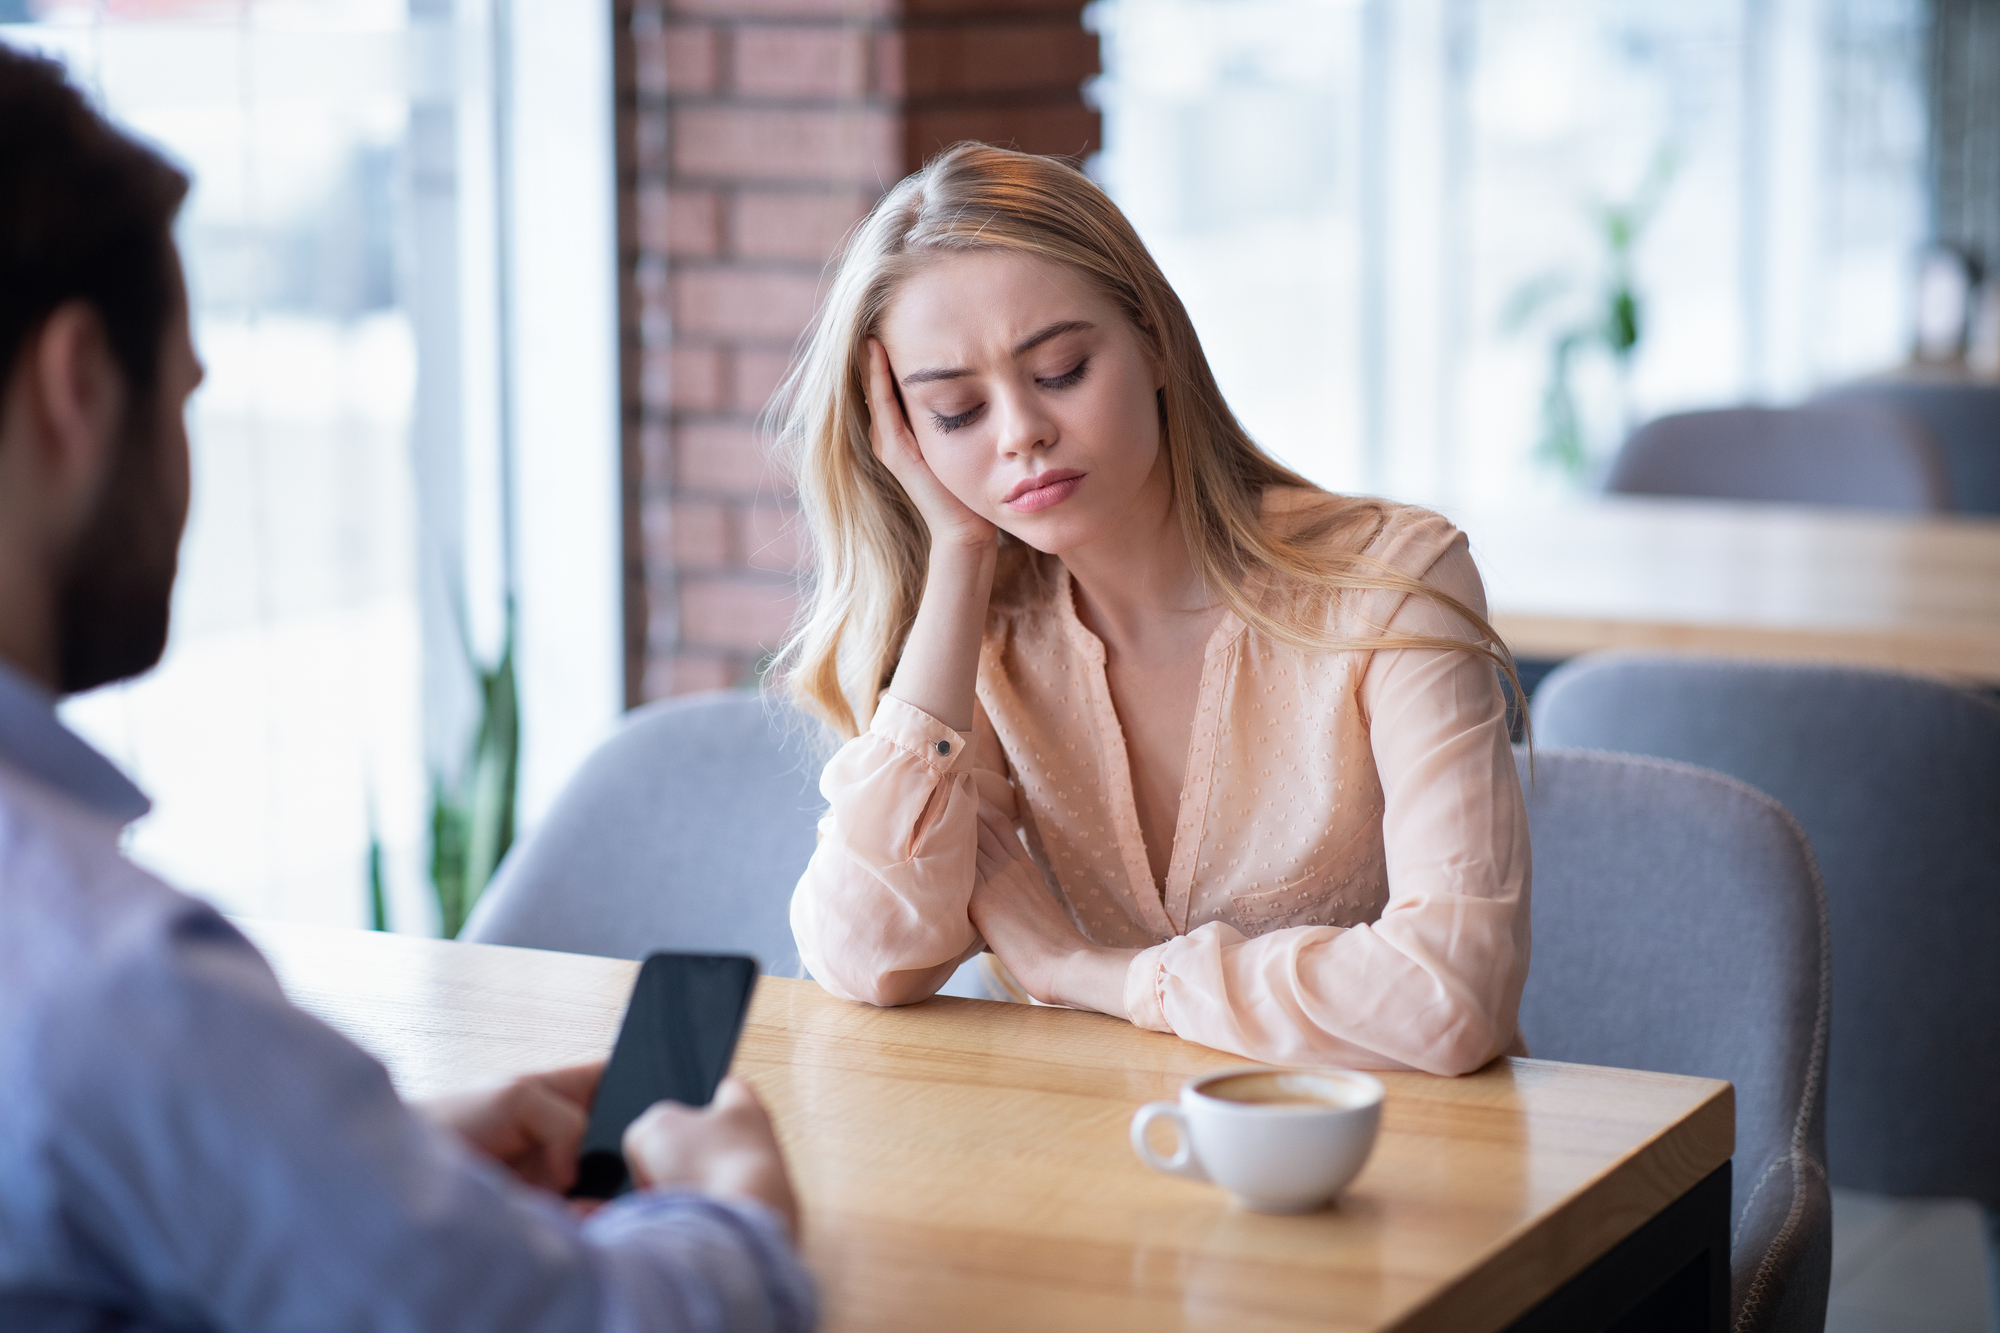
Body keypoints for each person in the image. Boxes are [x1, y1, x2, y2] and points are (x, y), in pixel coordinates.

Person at [0, 46, 814, 1333]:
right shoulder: (122, 987)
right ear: (78, 385)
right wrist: (735, 1208)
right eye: (186, 397)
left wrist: (358, 1168)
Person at [781, 144, 1530, 1076]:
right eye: (958, 412)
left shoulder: (1392, 583)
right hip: (1091, 1171)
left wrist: (1084, 970)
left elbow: (1452, 997)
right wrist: (962, 554)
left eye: (1058, 370)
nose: (1021, 433)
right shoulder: (977, 636)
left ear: (1155, 340)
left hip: (1384, 1172)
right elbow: (868, 956)